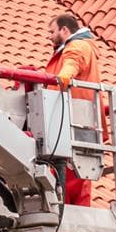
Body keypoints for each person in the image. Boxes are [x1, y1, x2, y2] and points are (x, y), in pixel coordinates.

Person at [43, 14, 101, 207]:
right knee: (77, 174)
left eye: (52, 32)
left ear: (65, 30)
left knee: (69, 172)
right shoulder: (81, 46)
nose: (49, 36)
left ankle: (66, 213)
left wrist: (62, 79)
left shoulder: (76, 46)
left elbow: (72, 64)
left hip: (73, 119)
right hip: (77, 118)